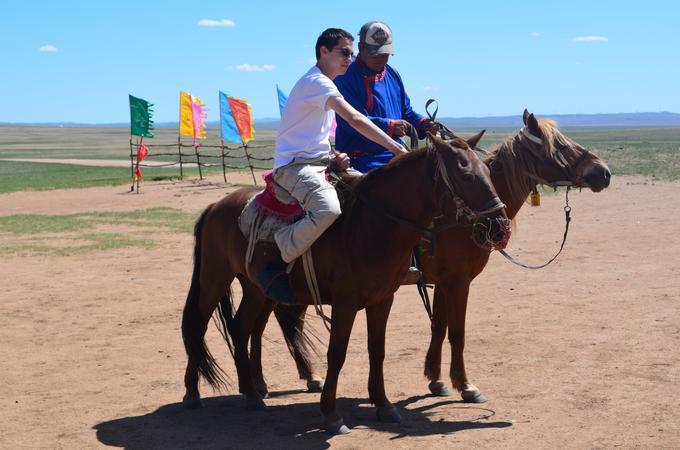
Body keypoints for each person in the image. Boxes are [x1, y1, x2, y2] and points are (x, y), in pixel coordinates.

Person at [255, 28, 407, 305]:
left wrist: (334, 156)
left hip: (317, 163)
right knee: (328, 209)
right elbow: (355, 119)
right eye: (344, 52)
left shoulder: (325, 83)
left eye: (351, 53)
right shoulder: (317, 83)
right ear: (323, 51)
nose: (350, 58)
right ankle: (277, 259)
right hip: (294, 167)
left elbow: (313, 135)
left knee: (371, 195)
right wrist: (397, 148)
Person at [334, 21, 437, 173]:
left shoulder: (392, 74)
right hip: (360, 161)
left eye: (385, 53)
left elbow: (406, 112)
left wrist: (423, 124)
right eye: (375, 53)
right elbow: (351, 121)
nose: (381, 58)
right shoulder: (345, 76)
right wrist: (390, 126)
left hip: (396, 156)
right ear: (361, 48)